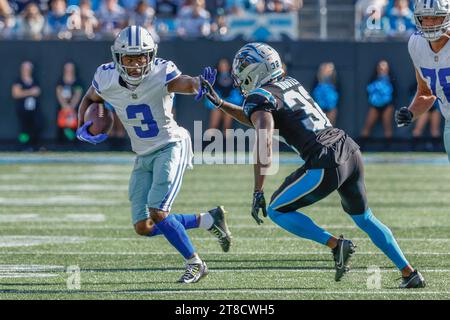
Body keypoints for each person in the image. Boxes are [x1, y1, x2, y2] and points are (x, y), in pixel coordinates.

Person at [200, 42, 425, 288]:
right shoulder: (289, 83)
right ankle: (409, 272)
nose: (239, 73)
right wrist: (222, 104)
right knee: (365, 218)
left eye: (243, 67)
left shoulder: (259, 97)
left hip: (325, 159)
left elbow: (263, 138)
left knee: (276, 210)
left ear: (256, 69)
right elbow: (257, 118)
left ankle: (336, 245)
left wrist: (257, 190)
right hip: (348, 148)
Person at [76, 25, 232, 283]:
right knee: (144, 227)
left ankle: (196, 263)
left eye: (142, 57)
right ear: (117, 58)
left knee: (157, 210)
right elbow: (91, 99)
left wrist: (197, 84)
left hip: (171, 145)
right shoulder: (105, 77)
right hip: (143, 153)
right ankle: (208, 220)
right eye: (129, 58)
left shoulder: (161, 71)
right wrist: (83, 125)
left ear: (151, 56)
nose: (136, 65)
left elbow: (184, 82)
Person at [396, 0, 450, 162]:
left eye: (436, 18)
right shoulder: (416, 44)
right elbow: (426, 92)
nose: (430, 23)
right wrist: (411, 112)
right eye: (425, 17)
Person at [205, 58, 242, 136]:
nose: (223, 67)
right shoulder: (214, 78)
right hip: (217, 104)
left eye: (225, 65)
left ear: (228, 66)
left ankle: (227, 144)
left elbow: (237, 93)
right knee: (214, 123)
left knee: (227, 125)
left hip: (229, 103)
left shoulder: (234, 78)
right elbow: (210, 91)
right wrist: (216, 102)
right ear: (218, 67)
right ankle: (208, 143)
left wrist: (229, 102)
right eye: (221, 65)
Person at [361, 60, 395, 143]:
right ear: (377, 69)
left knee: (387, 126)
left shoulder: (391, 79)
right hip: (375, 106)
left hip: (387, 105)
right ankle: (362, 147)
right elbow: (368, 91)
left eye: (385, 68)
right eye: (381, 68)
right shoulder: (373, 79)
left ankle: (389, 148)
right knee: (367, 125)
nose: (383, 70)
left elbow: (395, 93)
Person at [11, 61, 42, 150]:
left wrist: (30, 92)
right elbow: (16, 93)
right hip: (22, 108)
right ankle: (23, 145)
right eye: (25, 69)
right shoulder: (18, 81)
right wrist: (30, 92)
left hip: (33, 108)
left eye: (29, 69)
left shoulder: (34, 80)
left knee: (36, 125)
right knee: (24, 128)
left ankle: (33, 145)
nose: (27, 71)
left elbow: (38, 91)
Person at [56, 62, 83, 142]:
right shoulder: (60, 81)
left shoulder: (78, 81)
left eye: (71, 69)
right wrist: (65, 106)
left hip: (74, 108)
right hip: (63, 108)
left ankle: (73, 142)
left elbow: (78, 94)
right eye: (67, 69)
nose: (69, 71)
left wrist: (71, 107)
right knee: (63, 125)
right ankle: (63, 143)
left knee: (74, 125)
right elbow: (59, 93)